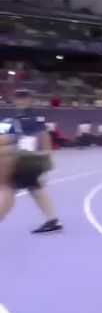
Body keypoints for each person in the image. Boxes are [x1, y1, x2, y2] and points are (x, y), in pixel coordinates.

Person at [0, 90, 62, 233]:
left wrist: (47, 155)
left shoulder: (33, 117)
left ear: (30, 100)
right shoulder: (15, 117)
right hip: (24, 158)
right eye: (18, 99)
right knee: (35, 189)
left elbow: (44, 136)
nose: (21, 101)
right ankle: (52, 219)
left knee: (10, 189)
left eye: (24, 99)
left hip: (26, 160)